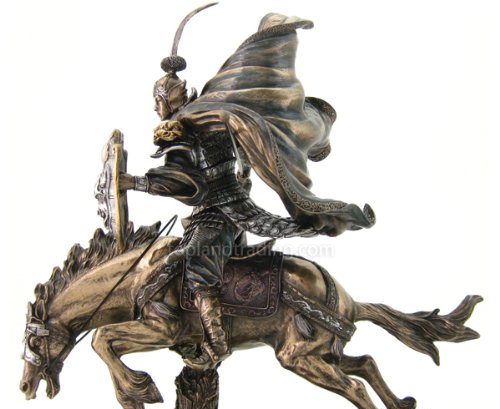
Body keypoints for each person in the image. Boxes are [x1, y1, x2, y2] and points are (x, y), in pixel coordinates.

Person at [120, 6, 375, 369]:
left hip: (219, 213)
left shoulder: (188, 125)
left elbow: (190, 185)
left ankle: (216, 344)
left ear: (170, 98)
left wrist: (136, 182)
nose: (156, 106)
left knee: (196, 269)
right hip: (215, 211)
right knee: (178, 261)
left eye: (158, 100)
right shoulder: (203, 115)